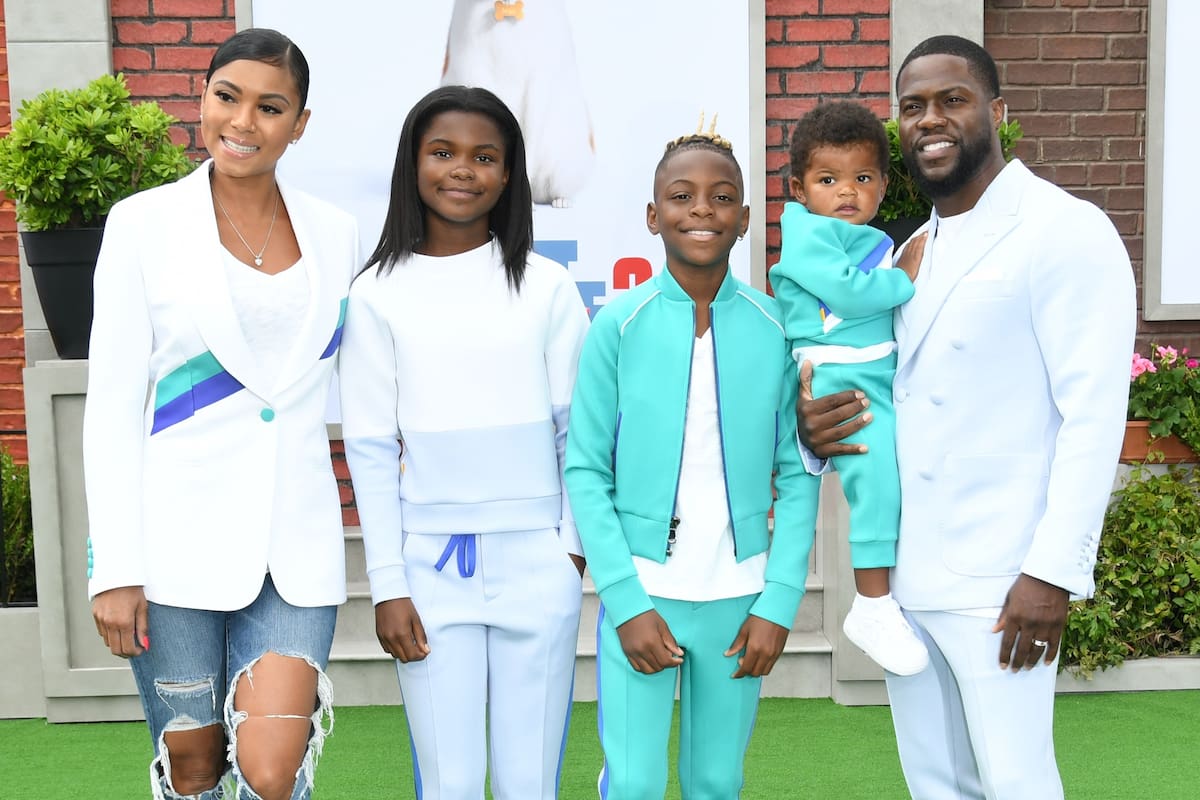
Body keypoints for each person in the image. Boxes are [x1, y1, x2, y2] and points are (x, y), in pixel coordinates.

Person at [797, 35, 1135, 798]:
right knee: (936, 783)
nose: (929, 120)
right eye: (911, 107)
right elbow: (875, 387)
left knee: (1016, 782)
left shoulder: (1066, 229)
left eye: (952, 99)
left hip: (1004, 579)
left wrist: (1052, 572)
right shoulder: (908, 249)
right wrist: (812, 434)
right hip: (907, 579)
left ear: (997, 112)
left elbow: (1092, 416)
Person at [85, 28, 359, 800]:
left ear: (299, 124)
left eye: (270, 107)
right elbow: (111, 405)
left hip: (295, 546)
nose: (243, 122)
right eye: (227, 97)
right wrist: (117, 568)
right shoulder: (142, 224)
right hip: (173, 543)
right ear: (202, 101)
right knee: (194, 766)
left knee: (272, 773)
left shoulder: (336, 233)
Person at [338, 85, 590, 800]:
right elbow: (369, 449)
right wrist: (388, 584)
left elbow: (579, 433)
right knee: (450, 782)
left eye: (485, 156)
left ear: (509, 174)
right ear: (412, 163)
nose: (462, 170)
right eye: (443, 152)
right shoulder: (375, 295)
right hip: (428, 573)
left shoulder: (547, 286)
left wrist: (568, 550)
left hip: (538, 563)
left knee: (528, 782)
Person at [564, 123, 817, 799]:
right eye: (681, 195)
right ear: (654, 215)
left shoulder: (773, 330)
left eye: (721, 196)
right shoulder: (616, 326)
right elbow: (587, 470)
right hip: (642, 594)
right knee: (636, 783)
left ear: (743, 219)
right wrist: (624, 600)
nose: (701, 208)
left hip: (740, 599)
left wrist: (779, 602)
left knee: (715, 780)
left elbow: (798, 474)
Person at [769, 100, 929, 676]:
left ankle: (884, 594)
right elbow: (851, 294)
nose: (846, 192)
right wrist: (902, 280)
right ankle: (872, 603)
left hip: (871, 371)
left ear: (884, 186)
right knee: (875, 482)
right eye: (828, 179)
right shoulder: (809, 233)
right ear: (799, 187)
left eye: (862, 179)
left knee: (888, 479)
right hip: (839, 375)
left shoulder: (857, 235)